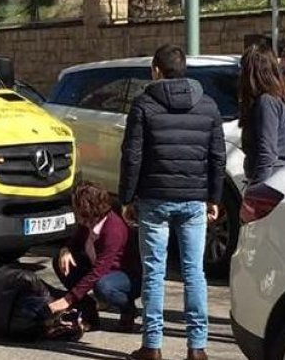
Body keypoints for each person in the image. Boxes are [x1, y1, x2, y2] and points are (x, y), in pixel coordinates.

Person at [119, 44, 225, 360]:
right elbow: (217, 156)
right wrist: (214, 197)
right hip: (194, 199)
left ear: (156, 70)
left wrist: (126, 197)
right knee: (194, 272)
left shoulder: (143, 105)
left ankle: (152, 346)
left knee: (154, 272)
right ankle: (197, 347)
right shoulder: (208, 106)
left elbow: (132, 155)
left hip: (154, 198)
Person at [48, 181, 142, 333]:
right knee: (61, 262)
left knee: (103, 286)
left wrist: (67, 299)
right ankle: (88, 309)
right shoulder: (88, 223)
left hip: (126, 276)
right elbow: (75, 241)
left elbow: (99, 270)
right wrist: (66, 250)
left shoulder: (113, 230)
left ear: (87, 208)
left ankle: (128, 309)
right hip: (100, 269)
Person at [239, 45, 285, 186]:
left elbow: (267, 154)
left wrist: (256, 189)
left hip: (270, 181)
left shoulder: (266, 102)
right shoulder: (271, 100)